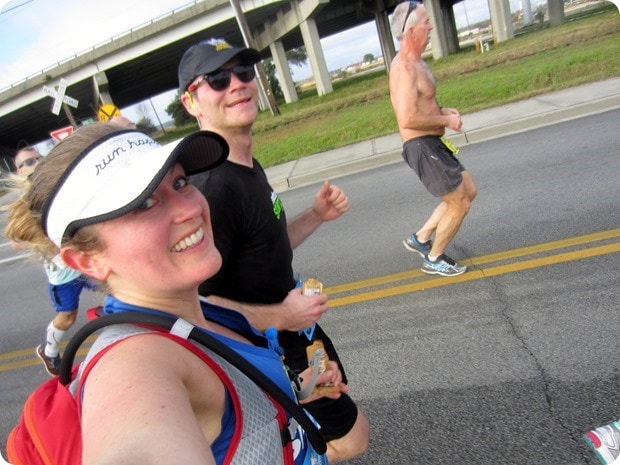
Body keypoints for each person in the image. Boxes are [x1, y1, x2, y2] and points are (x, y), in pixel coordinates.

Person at [4, 123, 344, 464]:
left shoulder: (201, 308)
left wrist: (300, 387)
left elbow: (236, 412)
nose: (190, 209)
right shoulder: (133, 368)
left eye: (180, 182)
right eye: (144, 203)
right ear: (87, 260)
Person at [178, 38, 370, 462]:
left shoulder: (246, 164)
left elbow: (266, 247)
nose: (237, 84)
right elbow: (196, 307)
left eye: (244, 71)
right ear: (191, 102)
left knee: (330, 429)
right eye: (217, 79)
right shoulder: (214, 188)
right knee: (348, 438)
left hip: (296, 336)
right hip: (270, 350)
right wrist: (282, 316)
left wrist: (316, 215)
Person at [389, 1, 477, 277]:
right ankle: (434, 258)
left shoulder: (417, 62)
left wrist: (442, 112)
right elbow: (408, 119)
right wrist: (446, 121)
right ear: (412, 31)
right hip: (421, 145)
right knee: (459, 202)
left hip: (432, 142)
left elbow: (421, 106)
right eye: (426, 22)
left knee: (468, 191)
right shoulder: (403, 68)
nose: (431, 26)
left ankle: (421, 238)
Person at [7, 146, 96, 376]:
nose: (34, 163)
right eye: (27, 162)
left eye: (38, 158)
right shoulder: (22, 206)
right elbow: (16, 242)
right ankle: (49, 351)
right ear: (18, 171)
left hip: (82, 262)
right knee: (67, 317)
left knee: (118, 284)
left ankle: (126, 320)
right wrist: (42, 237)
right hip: (62, 276)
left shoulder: (56, 187)